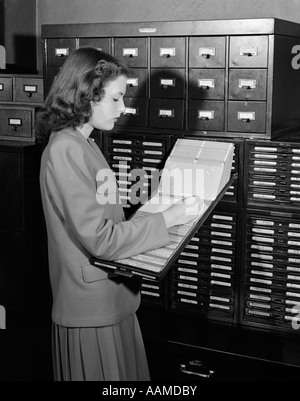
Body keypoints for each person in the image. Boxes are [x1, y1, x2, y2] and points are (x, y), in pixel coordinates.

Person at [35, 47, 201, 381]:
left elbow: (103, 216)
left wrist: (155, 209)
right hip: (91, 312)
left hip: (111, 301)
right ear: (85, 97)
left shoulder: (86, 143)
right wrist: (167, 219)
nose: (123, 108)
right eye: (115, 98)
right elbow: (100, 240)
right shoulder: (66, 149)